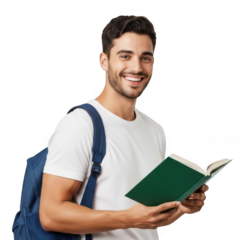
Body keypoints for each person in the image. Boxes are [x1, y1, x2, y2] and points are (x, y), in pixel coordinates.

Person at [39, 14, 208, 240]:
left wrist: (181, 210)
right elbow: (50, 215)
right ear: (104, 61)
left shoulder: (155, 130)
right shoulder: (80, 125)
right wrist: (129, 218)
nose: (136, 67)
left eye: (145, 58)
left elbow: (146, 219)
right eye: (125, 56)